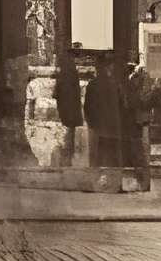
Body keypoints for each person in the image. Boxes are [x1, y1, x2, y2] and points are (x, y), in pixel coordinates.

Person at [84, 55, 123, 188]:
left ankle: (101, 181)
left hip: (99, 126)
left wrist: (91, 123)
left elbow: (87, 106)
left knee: (100, 155)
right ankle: (116, 182)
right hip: (114, 125)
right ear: (109, 67)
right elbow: (123, 105)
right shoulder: (116, 84)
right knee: (115, 154)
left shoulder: (92, 84)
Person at [122, 59, 154, 193]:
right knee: (138, 151)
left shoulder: (141, 78)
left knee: (141, 151)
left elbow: (142, 98)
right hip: (136, 119)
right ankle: (140, 181)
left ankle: (144, 183)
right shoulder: (134, 79)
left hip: (140, 119)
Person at [55, 43, 86, 172]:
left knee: (68, 134)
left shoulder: (66, 69)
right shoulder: (69, 70)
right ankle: (66, 160)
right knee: (68, 134)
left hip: (68, 108)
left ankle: (66, 159)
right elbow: (67, 92)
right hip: (69, 108)